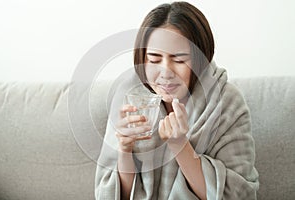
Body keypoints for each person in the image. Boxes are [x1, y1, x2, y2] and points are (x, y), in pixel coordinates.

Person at [95, 1, 259, 200]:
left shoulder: (227, 103)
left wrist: (180, 145)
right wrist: (124, 150)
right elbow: (112, 195)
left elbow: (239, 194)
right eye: (154, 59)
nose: (165, 72)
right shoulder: (129, 94)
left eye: (179, 60)